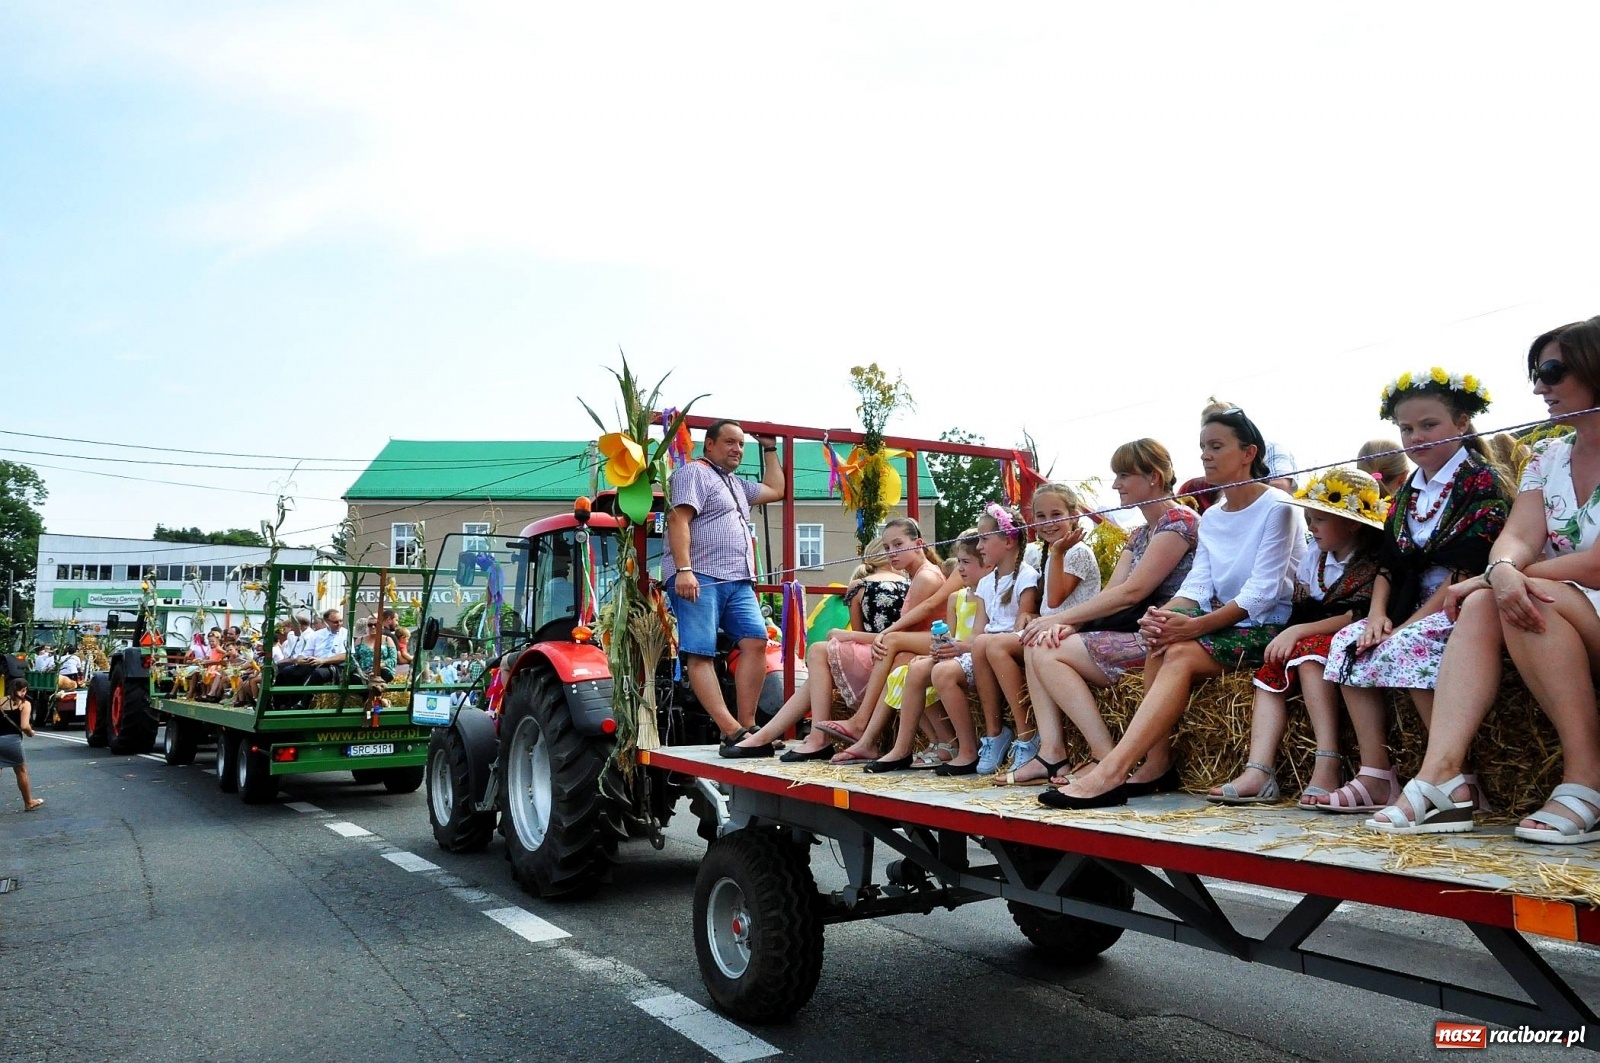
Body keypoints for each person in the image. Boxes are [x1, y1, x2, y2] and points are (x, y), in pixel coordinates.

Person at [1369, 321, 1600, 839]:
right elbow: (1517, 536)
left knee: (1521, 593)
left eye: (1552, 371)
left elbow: (1595, 565)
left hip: (1580, 595)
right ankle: (1442, 776)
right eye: (1537, 374)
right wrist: (1499, 573)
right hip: (1573, 603)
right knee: (1491, 600)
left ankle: (1589, 777)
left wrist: (1497, 577)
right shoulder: (1550, 456)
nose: (1539, 386)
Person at [1043, 407, 1305, 809]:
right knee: (1160, 641)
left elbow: (1262, 595)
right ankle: (1156, 761)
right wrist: (1169, 616)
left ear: (1248, 452)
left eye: (1216, 447)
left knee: (1178, 651)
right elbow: (1198, 585)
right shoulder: (1213, 515)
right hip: (1225, 622)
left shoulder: (1279, 507)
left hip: (1269, 627)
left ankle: (1112, 770)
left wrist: (1192, 628)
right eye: (1203, 447)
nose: (1205, 456)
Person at [1319, 369, 1510, 814]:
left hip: (1462, 601)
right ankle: (1376, 771)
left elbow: (1468, 564)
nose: (1415, 437)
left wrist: (1404, 626)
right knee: (1350, 641)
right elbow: (1391, 562)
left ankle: (1455, 779)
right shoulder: (1408, 490)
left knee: (1409, 645)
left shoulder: (1479, 481)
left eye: (1429, 425)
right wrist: (1379, 616)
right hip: (1408, 604)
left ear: (1462, 422)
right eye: (1406, 429)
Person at [1003, 439, 1200, 786]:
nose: (1115, 485)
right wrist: (1068, 623)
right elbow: (1114, 592)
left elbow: (1133, 592)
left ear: (1153, 477)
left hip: (1164, 632)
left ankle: (1104, 755)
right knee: (1039, 640)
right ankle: (1052, 753)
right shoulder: (1140, 534)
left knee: (1047, 650)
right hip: (1138, 627)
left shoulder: (1179, 522)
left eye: (1123, 475)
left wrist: (1060, 619)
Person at [1206, 469, 1385, 804]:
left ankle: (1328, 761)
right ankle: (1258, 770)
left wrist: (1298, 632)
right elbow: (1304, 607)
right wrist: (1293, 633)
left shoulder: (1372, 563)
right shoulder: (1315, 557)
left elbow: (1356, 613)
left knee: (1310, 656)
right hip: (1313, 632)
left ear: (1353, 524)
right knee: (1272, 667)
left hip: (1351, 634)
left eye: (1320, 519)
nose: (1312, 527)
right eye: (1310, 518)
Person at [722, 518, 942, 759]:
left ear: (918, 543)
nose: (892, 553)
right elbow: (898, 635)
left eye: (898, 545)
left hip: (908, 651)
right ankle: (771, 737)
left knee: (819, 651)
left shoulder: (923, 578)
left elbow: (900, 636)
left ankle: (831, 732)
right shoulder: (915, 577)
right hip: (898, 650)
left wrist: (848, 635)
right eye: (887, 548)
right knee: (819, 662)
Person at [665, 419, 784, 742]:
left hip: (738, 578)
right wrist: (684, 569)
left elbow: (776, 490)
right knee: (700, 651)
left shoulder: (735, 484)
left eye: (742, 444)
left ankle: (746, 724)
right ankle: (729, 729)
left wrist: (770, 448)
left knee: (757, 642)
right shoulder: (694, 473)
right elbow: (678, 518)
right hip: (700, 576)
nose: (738, 449)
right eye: (730, 442)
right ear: (710, 445)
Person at [981, 485, 1101, 774]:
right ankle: (1003, 735)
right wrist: (1032, 614)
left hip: (1072, 630)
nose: (1048, 522)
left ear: (1074, 516)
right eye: (1041, 515)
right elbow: (1051, 605)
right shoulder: (1049, 552)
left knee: (996, 646)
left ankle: (1028, 735)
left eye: (1056, 514)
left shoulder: (1075, 552)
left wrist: (1058, 553)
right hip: (1052, 626)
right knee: (984, 644)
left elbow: (1059, 598)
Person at [866, 529, 990, 772]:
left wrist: (954, 649)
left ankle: (962, 747)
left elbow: (979, 639)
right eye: (959, 563)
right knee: (911, 669)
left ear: (987, 565)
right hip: (958, 652)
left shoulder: (986, 594)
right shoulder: (957, 598)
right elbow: (951, 637)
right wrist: (939, 650)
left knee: (934, 671)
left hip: (973, 654)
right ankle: (903, 748)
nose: (960, 569)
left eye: (966, 563)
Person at [963, 504, 1042, 775]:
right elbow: (978, 632)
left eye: (984, 539)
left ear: (1008, 540)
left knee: (988, 644)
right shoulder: (985, 583)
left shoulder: (1026, 576)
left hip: (1013, 644)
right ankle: (994, 734)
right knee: (943, 669)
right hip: (988, 646)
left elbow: (1024, 620)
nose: (980, 546)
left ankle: (1027, 732)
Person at [0, 678, 43, 811]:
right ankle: (28, 802)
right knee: (21, 771)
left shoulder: (1, 701)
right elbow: (24, 726)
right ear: (23, 690)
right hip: (12, 741)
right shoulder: (24, 704)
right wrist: (30, 733)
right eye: (24, 690)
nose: (24, 693)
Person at [352, 617, 398, 682]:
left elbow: (393, 659)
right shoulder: (359, 640)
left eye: (376, 625)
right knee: (354, 679)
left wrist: (380, 665)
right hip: (363, 672)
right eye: (370, 625)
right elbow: (354, 659)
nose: (373, 627)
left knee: (384, 673)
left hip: (382, 671)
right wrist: (360, 671)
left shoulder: (388, 639)